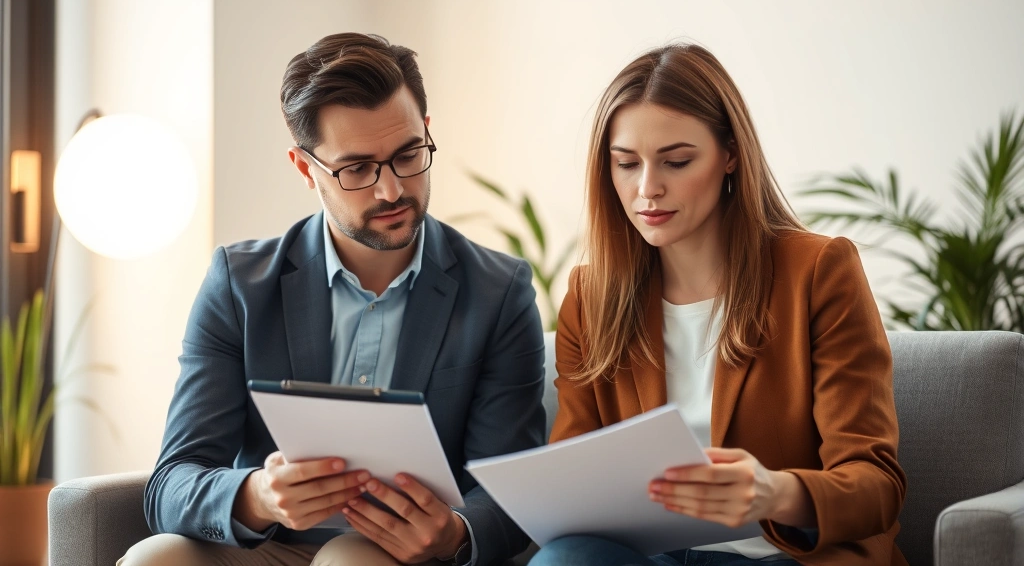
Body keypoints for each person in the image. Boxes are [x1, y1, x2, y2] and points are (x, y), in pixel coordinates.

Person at [119, 32, 545, 566]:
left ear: (427, 134)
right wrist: (259, 497)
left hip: (399, 559)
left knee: (350, 559)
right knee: (153, 559)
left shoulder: (498, 292)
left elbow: (511, 488)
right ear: (305, 169)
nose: (390, 191)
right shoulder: (239, 284)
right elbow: (172, 483)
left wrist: (454, 533)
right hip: (268, 546)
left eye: (408, 155)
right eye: (357, 169)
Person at [530, 44, 907, 566]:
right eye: (626, 164)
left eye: (677, 161)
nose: (648, 189)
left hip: (779, 556)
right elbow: (571, 478)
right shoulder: (592, 297)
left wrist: (774, 492)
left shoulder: (819, 272)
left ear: (730, 154)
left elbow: (876, 487)